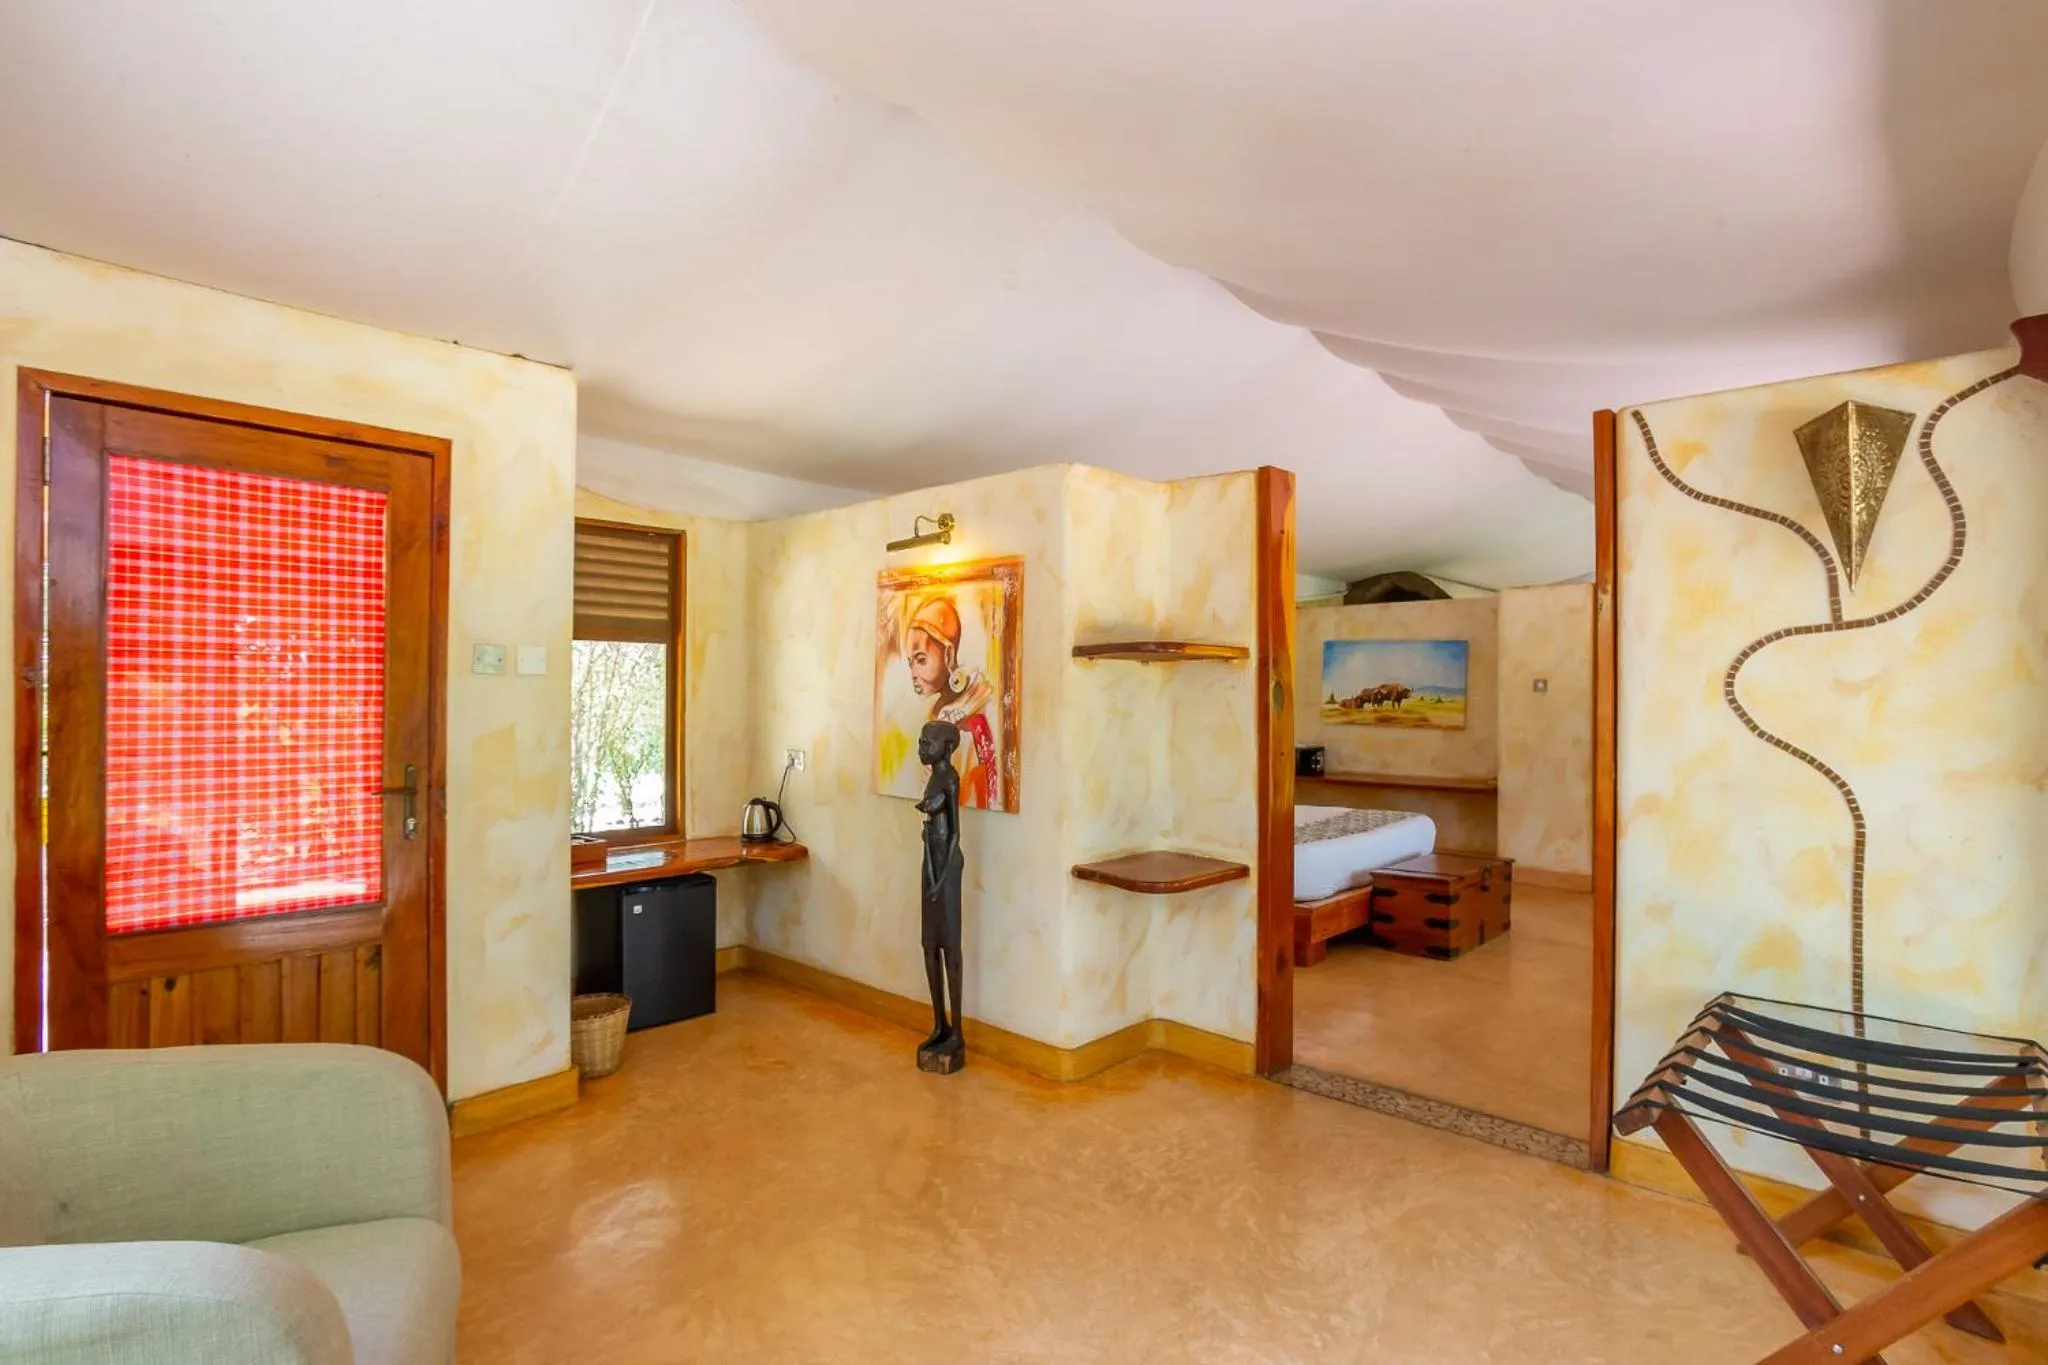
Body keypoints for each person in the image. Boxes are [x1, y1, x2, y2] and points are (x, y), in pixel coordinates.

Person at [901, 595, 999, 808]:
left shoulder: (974, 723)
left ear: (949, 654)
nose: (913, 674)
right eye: (911, 663)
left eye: (921, 660)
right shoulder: (935, 714)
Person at [916, 720, 965, 1067]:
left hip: (947, 867)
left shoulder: (949, 779)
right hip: (929, 862)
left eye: (927, 743)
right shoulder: (933, 778)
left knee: (950, 946)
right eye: (921, 742)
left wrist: (940, 878)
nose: (921, 747)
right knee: (928, 944)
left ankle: (957, 1031)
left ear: (947, 747)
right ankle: (939, 1023)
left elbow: (954, 837)